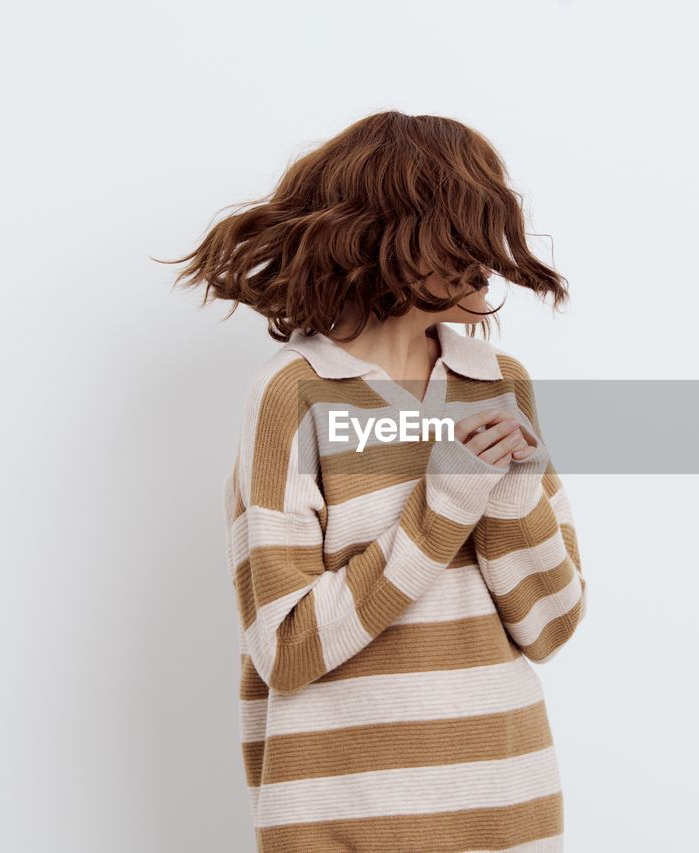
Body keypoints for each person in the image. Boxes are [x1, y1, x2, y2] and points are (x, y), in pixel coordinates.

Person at [163, 110, 587, 852]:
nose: (487, 255)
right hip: (343, 822)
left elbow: (550, 626)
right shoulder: (293, 394)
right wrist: (445, 506)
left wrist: (511, 492)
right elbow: (286, 646)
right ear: (389, 237)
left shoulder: (497, 383)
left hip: (508, 812)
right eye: (463, 229)